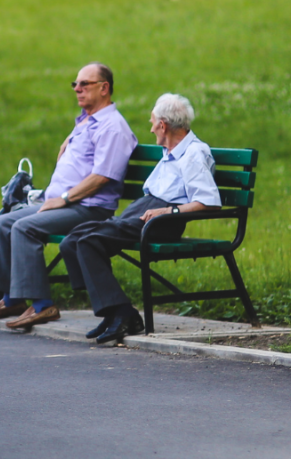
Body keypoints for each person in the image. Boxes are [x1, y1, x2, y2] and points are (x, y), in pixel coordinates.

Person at [0, 63, 138, 330]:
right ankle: (12, 298)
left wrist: (64, 199)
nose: (77, 89)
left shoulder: (112, 127)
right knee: (3, 222)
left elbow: (103, 177)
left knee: (24, 228)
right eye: (75, 84)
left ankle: (42, 305)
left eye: (84, 84)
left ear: (104, 88)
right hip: (65, 203)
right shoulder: (87, 121)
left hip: (88, 208)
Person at [58, 94, 222, 344]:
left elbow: (209, 201)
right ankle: (113, 310)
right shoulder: (171, 151)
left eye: (152, 122)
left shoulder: (193, 153)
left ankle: (123, 313)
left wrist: (169, 211)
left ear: (163, 125)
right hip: (146, 211)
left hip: (162, 221)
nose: (151, 127)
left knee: (89, 241)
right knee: (73, 239)